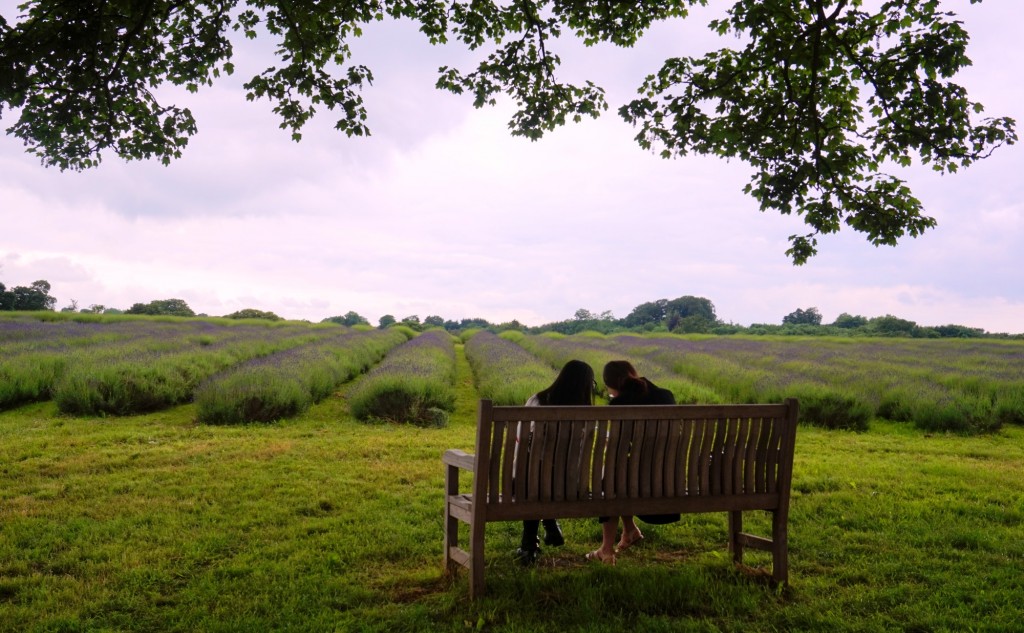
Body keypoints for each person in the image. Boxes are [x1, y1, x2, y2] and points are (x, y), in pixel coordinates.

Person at [586, 360, 678, 565]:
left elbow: (618, 450)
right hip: (668, 478)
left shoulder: (619, 404)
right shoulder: (666, 395)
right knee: (623, 474)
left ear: (612, 385)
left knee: (609, 479)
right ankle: (629, 531)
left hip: (644, 482)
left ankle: (606, 550)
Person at [515, 359, 596, 565]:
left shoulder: (538, 400)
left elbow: (520, 438)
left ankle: (529, 544)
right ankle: (548, 526)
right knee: (544, 477)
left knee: (534, 475)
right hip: (570, 484)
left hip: (528, 484)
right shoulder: (588, 412)